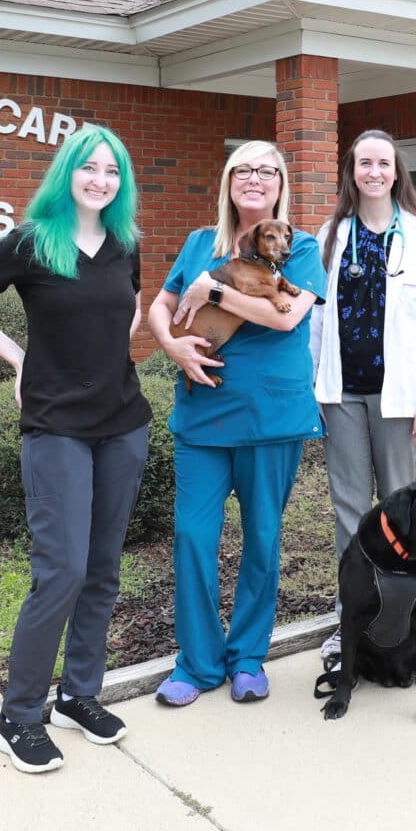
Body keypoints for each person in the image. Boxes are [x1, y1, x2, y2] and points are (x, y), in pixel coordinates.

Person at [0, 125, 150, 775]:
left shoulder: (124, 242)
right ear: (67, 174)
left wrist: (104, 354)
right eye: (88, 168)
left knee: (102, 566)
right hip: (56, 425)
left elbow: (132, 308)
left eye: (111, 170)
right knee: (60, 569)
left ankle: (78, 695)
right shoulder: (33, 240)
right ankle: (19, 715)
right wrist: (20, 360)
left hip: (124, 422)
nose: (100, 179)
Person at [148, 141, 326, 705]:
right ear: (228, 181)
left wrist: (215, 289)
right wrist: (172, 346)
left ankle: (248, 657)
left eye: (266, 171)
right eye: (243, 169)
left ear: (280, 183)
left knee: (263, 540)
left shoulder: (298, 248)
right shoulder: (201, 243)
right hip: (203, 411)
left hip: (272, 413)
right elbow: (158, 305)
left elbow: (288, 315)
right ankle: (197, 664)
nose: (254, 178)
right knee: (192, 536)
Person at [309, 129, 416, 665]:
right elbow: (316, 320)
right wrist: (313, 387)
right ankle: (352, 614)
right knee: (349, 505)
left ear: (397, 173)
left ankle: (410, 614)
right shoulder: (330, 233)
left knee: (402, 505)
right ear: (351, 170)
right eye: (364, 162)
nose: (374, 171)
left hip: (399, 395)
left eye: (384, 163)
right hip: (341, 391)